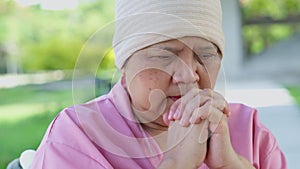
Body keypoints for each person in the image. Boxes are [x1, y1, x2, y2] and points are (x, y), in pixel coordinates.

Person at [31, 0, 287, 168]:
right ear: (125, 61)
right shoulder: (77, 136)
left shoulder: (248, 130)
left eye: (206, 54)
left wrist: (231, 164)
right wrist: (177, 163)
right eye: (164, 55)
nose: (188, 76)